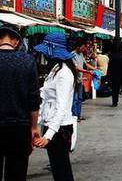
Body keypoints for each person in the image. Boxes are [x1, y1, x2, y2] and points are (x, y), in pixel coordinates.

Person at [34, 32, 76, 181]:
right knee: (58, 169)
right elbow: (45, 100)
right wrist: (38, 125)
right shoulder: (55, 70)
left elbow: (61, 107)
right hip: (52, 125)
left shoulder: (64, 73)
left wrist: (48, 135)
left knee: (61, 171)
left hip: (60, 129)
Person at [0, 25, 40, 181]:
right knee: (16, 174)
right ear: (16, 42)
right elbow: (34, 99)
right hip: (19, 128)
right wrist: (34, 127)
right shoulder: (27, 61)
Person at [71, 38, 94, 121]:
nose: (84, 49)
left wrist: (94, 69)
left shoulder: (81, 54)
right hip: (74, 80)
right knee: (75, 98)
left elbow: (86, 64)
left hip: (80, 79)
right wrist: (88, 71)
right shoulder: (72, 55)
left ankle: (78, 115)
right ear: (78, 47)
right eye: (83, 47)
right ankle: (74, 116)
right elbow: (76, 68)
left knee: (80, 98)